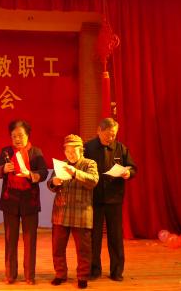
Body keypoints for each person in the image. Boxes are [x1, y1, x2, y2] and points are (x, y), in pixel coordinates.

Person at [0, 119, 48, 285]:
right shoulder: (6, 152)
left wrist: (31, 175)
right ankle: (10, 274)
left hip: (29, 201)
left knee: (30, 240)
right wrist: (4, 169)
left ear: (27, 135)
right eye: (14, 136)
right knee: (10, 239)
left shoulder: (36, 152)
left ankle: (29, 275)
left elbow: (44, 172)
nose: (17, 139)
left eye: (20, 135)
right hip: (10, 201)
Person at [84, 118, 137, 282]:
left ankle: (116, 271)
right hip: (94, 198)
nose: (110, 138)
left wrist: (128, 173)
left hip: (114, 198)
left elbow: (132, 167)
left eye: (113, 135)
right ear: (99, 131)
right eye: (108, 135)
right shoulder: (88, 148)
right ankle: (94, 270)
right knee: (94, 237)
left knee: (115, 236)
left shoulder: (120, 148)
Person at [48, 134, 99, 289]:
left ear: (81, 150)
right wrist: (54, 182)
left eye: (73, 151)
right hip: (61, 212)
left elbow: (93, 180)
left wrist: (75, 173)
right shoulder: (61, 164)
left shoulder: (89, 163)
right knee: (57, 247)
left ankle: (82, 276)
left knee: (83, 249)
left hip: (81, 213)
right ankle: (60, 274)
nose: (70, 154)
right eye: (67, 151)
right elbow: (50, 185)